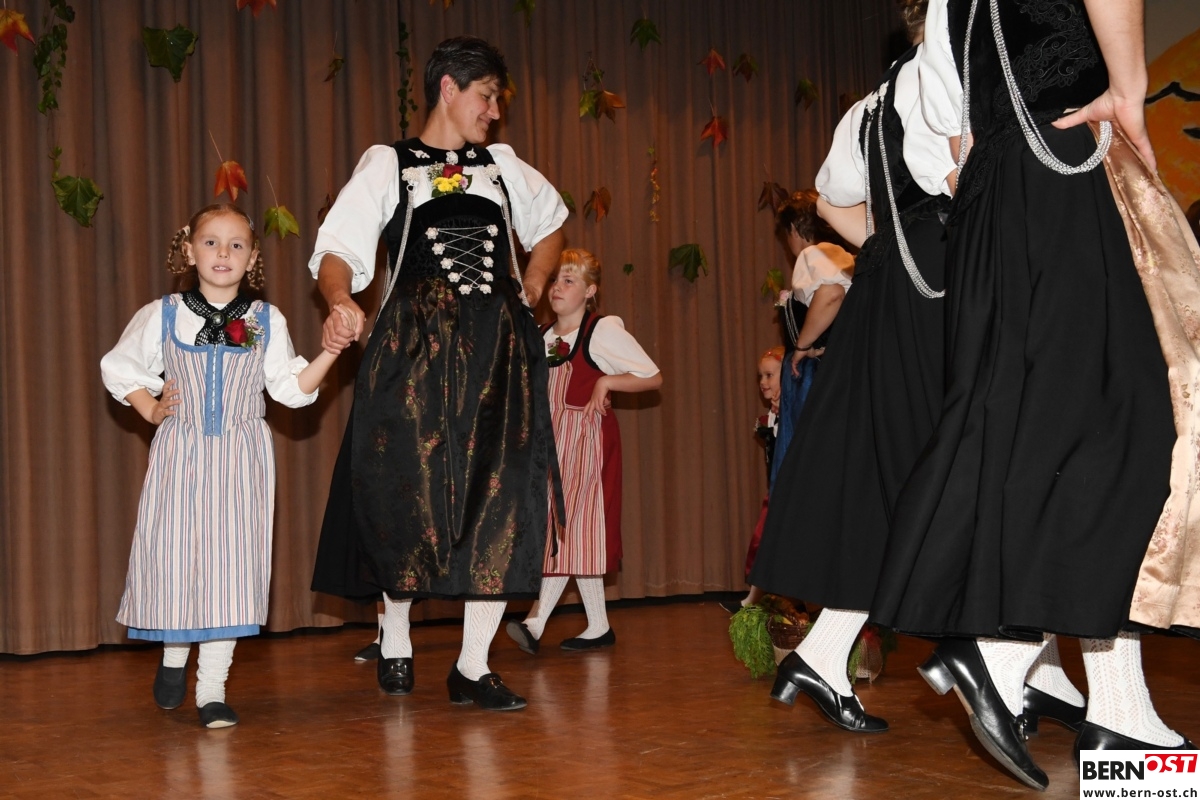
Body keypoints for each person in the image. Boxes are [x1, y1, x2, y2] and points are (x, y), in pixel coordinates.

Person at [871, 0, 1194, 788]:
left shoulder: (946, 11)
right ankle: (1001, 648)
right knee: (1135, 424)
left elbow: (953, 142)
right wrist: (1129, 89)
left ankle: (1121, 713)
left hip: (993, 193)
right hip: (1065, 162)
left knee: (1046, 431)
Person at [309, 36, 568, 712]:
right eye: (487, 97)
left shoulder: (503, 166)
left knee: (500, 496)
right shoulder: (388, 164)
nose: (495, 112)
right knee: (405, 491)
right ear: (449, 88)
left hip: (498, 351)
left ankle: (472, 665)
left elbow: (550, 227)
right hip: (413, 349)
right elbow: (338, 251)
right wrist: (339, 300)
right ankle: (394, 634)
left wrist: (535, 280)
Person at [101, 203, 339, 728]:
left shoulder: (264, 320)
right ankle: (173, 656)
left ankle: (212, 688)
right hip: (180, 454)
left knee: (231, 568)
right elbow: (120, 365)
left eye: (236, 244)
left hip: (241, 457)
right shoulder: (163, 313)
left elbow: (289, 388)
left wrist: (330, 352)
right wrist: (150, 408)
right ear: (189, 251)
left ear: (252, 258)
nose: (223, 252)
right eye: (211, 242)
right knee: (175, 559)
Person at [505, 249, 661, 654]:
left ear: (590, 291)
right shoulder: (542, 335)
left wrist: (606, 383)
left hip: (585, 443)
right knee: (573, 534)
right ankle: (599, 626)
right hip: (548, 445)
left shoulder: (601, 330)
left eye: (569, 281)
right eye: (555, 280)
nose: (557, 288)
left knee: (568, 528)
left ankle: (536, 622)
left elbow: (652, 377)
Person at [721, 194, 854, 615]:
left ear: (795, 231)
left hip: (813, 381)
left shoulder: (814, 254)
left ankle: (807, 588)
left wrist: (801, 346)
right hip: (831, 375)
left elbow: (831, 295)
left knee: (801, 480)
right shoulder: (844, 256)